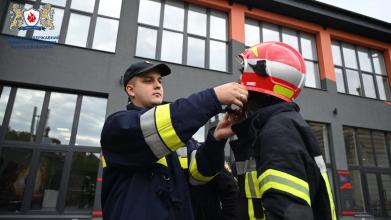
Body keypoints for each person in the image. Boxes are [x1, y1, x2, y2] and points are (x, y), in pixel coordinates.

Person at [100, 60, 248, 220]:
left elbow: (198, 175)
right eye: (148, 80)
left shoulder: (175, 136)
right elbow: (159, 125)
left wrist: (216, 139)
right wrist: (214, 98)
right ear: (130, 90)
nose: (157, 85)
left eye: (159, 80)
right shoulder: (118, 126)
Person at [229, 42, 337, 220]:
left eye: (243, 74)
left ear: (261, 77)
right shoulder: (278, 126)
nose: (240, 83)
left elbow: (289, 215)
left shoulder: (279, 133)